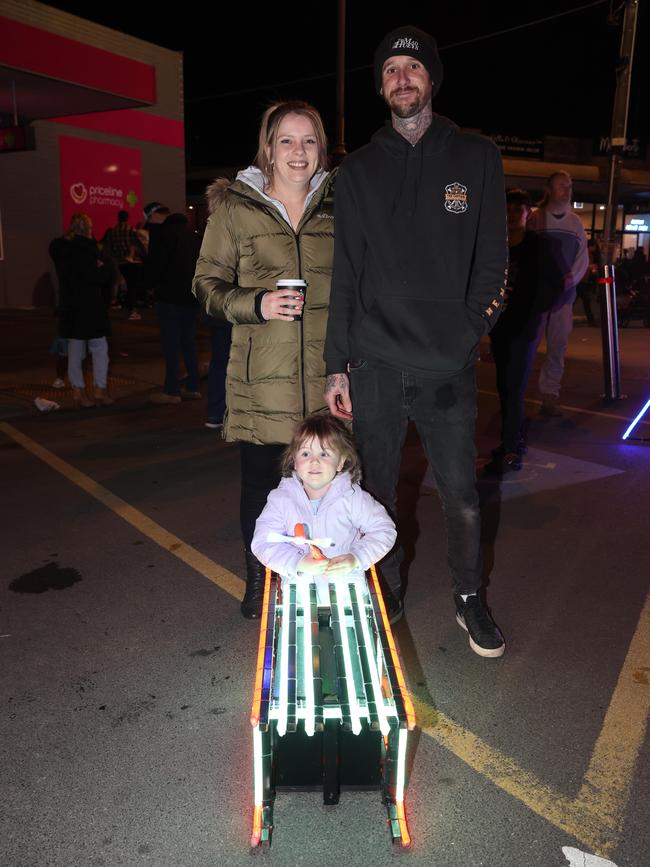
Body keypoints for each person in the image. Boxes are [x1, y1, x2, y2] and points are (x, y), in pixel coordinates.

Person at [324, 25, 507, 657]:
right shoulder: (358, 170)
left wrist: (469, 329)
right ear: (381, 86)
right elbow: (345, 272)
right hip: (374, 361)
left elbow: (494, 263)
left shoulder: (477, 157)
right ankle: (389, 587)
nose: (402, 77)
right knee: (377, 494)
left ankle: (467, 596)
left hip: (447, 364)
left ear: (431, 78)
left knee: (460, 497)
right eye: (391, 69)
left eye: (413, 67)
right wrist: (335, 365)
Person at [193, 100, 336, 619]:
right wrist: (255, 303)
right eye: (286, 141)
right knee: (260, 489)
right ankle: (260, 579)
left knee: (328, 490)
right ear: (268, 149)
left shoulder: (339, 207)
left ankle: (321, 576)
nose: (298, 152)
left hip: (327, 377)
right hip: (261, 380)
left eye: (309, 141)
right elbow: (205, 285)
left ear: (321, 150)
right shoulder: (236, 208)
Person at [252, 414, 396, 579]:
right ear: (294, 460)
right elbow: (263, 541)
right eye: (306, 454)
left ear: (341, 462)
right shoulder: (280, 500)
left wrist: (357, 558)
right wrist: (296, 562)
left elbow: (384, 530)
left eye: (324, 454)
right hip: (299, 593)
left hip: (346, 590)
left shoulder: (353, 498)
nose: (314, 461)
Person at [484, 189, 564, 474]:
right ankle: (511, 440)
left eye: (518, 210)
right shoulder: (496, 245)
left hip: (524, 329)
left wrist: (535, 314)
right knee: (504, 389)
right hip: (500, 328)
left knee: (514, 389)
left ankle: (510, 450)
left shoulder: (538, 246)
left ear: (528, 214)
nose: (512, 215)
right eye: (507, 209)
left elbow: (556, 284)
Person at [527, 171, 589, 416]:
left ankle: (549, 392)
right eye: (562, 186)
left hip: (563, 297)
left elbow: (582, 257)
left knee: (557, 345)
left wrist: (569, 280)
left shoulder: (575, 223)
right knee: (528, 343)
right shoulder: (535, 219)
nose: (567, 190)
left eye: (570, 186)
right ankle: (517, 388)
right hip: (536, 296)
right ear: (549, 189)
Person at [49, 213, 114, 407]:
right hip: (91, 306)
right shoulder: (91, 250)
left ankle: (78, 391)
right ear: (88, 229)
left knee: (75, 350)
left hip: (70, 306)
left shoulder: (61, 250)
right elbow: (99, 278)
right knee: (100, 349)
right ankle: (99, 390)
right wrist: (103, 269)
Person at [144, 202, 202, 405]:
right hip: (191, 297)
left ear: (154, 217)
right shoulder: (192, 235)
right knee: (188, 341)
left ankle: (172, 390)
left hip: (169, 298)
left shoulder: (161, 235)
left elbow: (155, 267)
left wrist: (149, 286)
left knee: (171, 345)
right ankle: (193, 386)